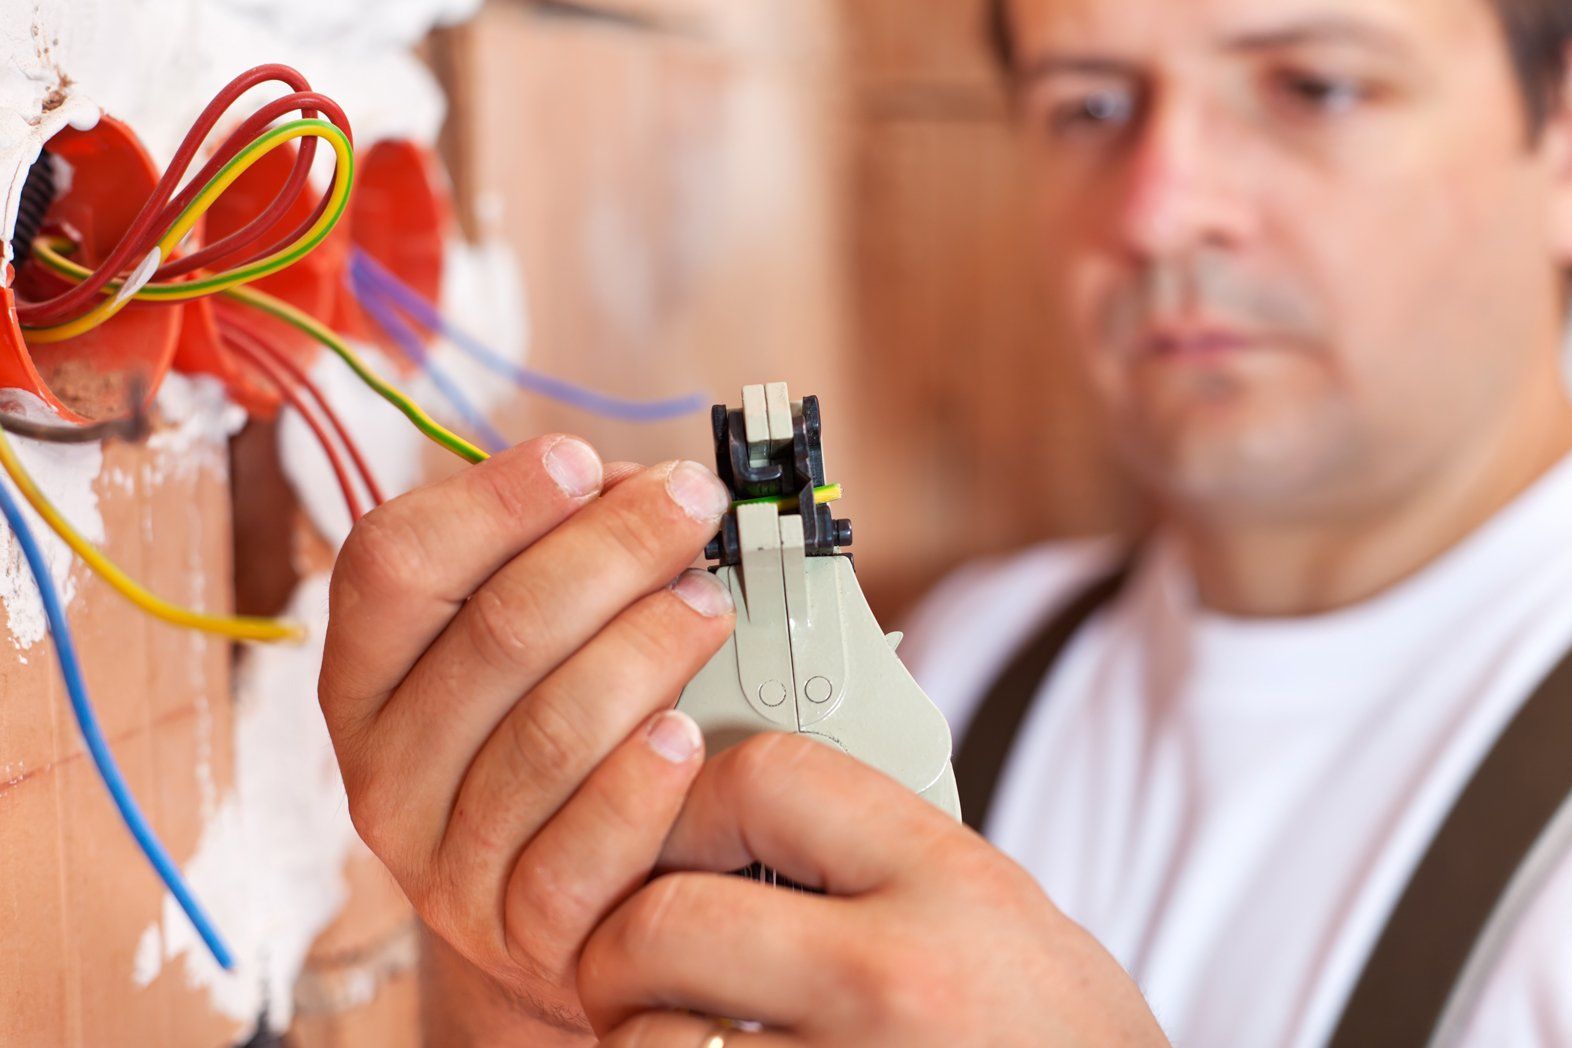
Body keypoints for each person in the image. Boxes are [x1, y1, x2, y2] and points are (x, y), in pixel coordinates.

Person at [315, 0, 1572, 1043]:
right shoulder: (969, 660)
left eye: (1315, 88)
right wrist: (551, 986)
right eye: (1090, 104)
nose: (1157, 209)